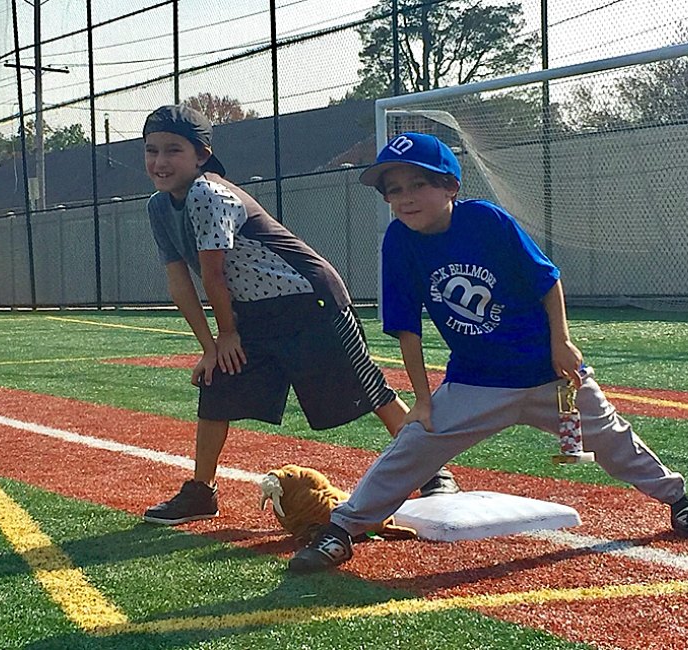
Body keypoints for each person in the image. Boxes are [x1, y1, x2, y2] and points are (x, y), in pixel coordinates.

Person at [288, 131, 688, 572]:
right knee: (414, 444)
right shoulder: (399, 241)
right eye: (394, 190)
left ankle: (681, 503)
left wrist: (562, 341)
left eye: (419, 184)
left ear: (451, 187)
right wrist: (422, 399)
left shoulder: (486, 221)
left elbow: (547, 279)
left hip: (546, 373)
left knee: (612, 440)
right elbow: (407, 328)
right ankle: (343, 531)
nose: (406, 198)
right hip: (477, 380)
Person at [141, 106, 459, 526]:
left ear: (201, 155)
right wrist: (212, 347)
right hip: (253, 312)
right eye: (152, 151)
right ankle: (201, 492)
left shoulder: (207, 193)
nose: (160, 162)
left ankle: (433, 470)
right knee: (217, 385)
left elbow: (214, 274)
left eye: (173, 150)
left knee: (367, 388)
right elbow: (181, 281)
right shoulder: (158, 206)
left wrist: (227, 333)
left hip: (308, 300)